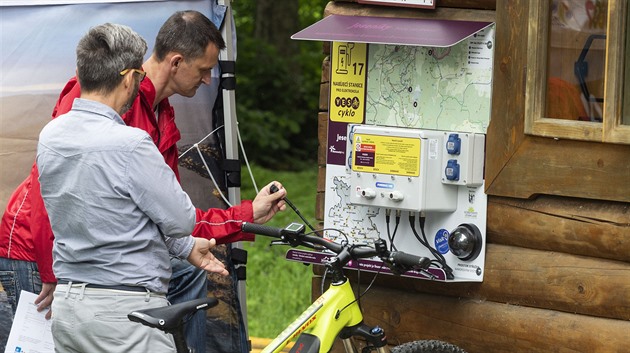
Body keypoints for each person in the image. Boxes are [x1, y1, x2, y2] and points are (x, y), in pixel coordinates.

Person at [0, 10, 286, 353]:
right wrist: (52, 273)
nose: (209, 80)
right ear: (176, 62)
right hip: (37, 249)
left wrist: (244, 217)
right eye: (204, 70)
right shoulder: (97, 102)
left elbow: (167, 215)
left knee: (191, 273)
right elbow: (54, 190)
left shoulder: (161, 116)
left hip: (90, 268)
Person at [35, 22, 233, 353]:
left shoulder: (50, 136)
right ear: (129, 79)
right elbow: (181, 218)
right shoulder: (132, 144)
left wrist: (184, 248)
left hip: (70, 309)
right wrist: (185, 240)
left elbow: (113, 212)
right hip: (124, 314)